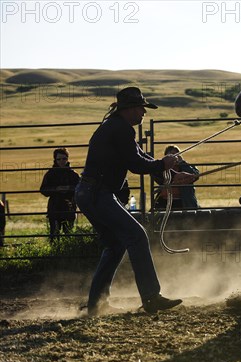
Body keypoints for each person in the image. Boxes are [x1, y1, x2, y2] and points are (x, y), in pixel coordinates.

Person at [75, 87, 197, 316]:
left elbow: (141, 158)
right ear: (130, 109)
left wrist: (170, 174)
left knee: (116, 245)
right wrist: (163, 165)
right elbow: (138, 164)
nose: (144, 113)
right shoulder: (121, 129)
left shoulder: (116, 127)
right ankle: (151, 297)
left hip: (89, 193)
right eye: (141, 108)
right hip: (98, 194)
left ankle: (97, 304)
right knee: (136, 235)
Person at [39, 148, 80, 242]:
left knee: (68, 234)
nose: (62, 161)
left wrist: (69, 188)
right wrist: (56, 189)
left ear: (68, 159)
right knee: (54, 233)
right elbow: (43, 189)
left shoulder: (73, 174)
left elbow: (80, 189)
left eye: (64, 159)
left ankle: (67, 253)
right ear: (55, 160)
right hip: (55, 207)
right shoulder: (50, 174)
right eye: (59, 159)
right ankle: (54, 254)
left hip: (69, 207)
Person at [154, 145, 200, 210]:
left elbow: (195, 175)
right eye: (171, 156)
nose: (174, 158)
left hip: (183, 201)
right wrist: (164, 164)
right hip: (164, 201)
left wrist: (182, 163)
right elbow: (155, 175)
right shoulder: (163, 170)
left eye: (176, 155)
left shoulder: (185, 167)